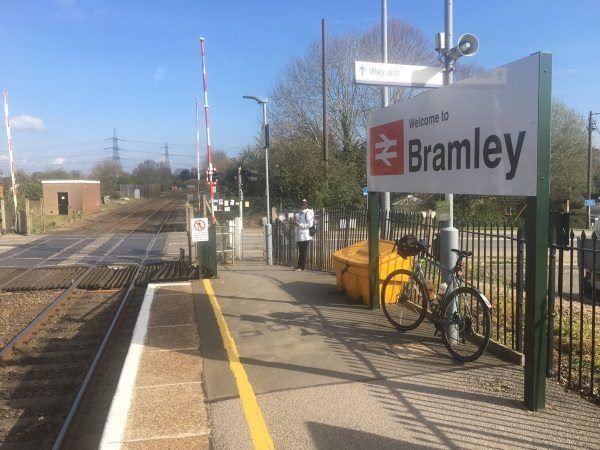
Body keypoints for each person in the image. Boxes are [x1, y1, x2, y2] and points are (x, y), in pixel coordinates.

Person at [293, 198, 314, 271]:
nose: (302, 205)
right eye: (301, 204)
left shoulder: (308, 213)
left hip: (305, 236)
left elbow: (310, 224)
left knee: (303, 252)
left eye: (304, 204)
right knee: (301, 251)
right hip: (300, 236)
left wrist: (300, 225)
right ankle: (299, 265)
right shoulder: (300, 213)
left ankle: (302, 266)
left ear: (306, 205)